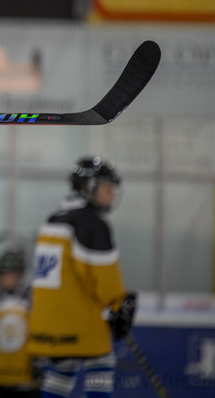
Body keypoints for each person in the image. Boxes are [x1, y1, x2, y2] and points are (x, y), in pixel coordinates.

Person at [27, 156, 137, 398]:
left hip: (48, 328)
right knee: (102, 361)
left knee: (59, 375)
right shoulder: (93, 224)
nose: (112, 195)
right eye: (107, 188)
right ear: (88, 188)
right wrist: (119, 305)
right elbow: (105, 281)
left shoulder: (53, 220)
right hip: (79, 326)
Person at [0, 249, 38, 398]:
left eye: (12, 274)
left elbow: (37, 330)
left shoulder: (31, 298)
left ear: (20, 274)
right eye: (5, 274)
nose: (8, 278)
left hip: (23, 374)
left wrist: (38, 361)